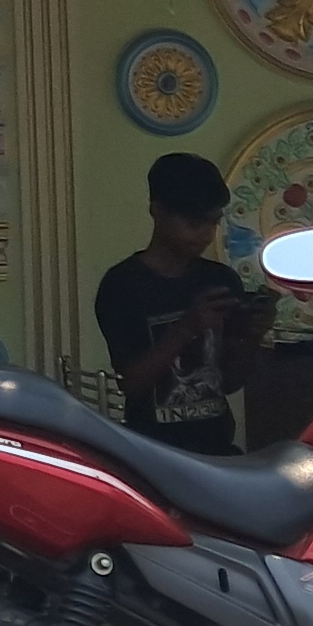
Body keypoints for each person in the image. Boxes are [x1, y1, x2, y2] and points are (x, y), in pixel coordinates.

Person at [93, 150, 267, 455]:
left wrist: (252, 334)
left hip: (216, 449)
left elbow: (228, 383)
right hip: (151, 453)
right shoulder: (122, 285)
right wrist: (187, 328)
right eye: (194, 223)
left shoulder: (220, 279)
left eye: (214, 223)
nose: (206, 234)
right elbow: (131, 384)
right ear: (157, 211)